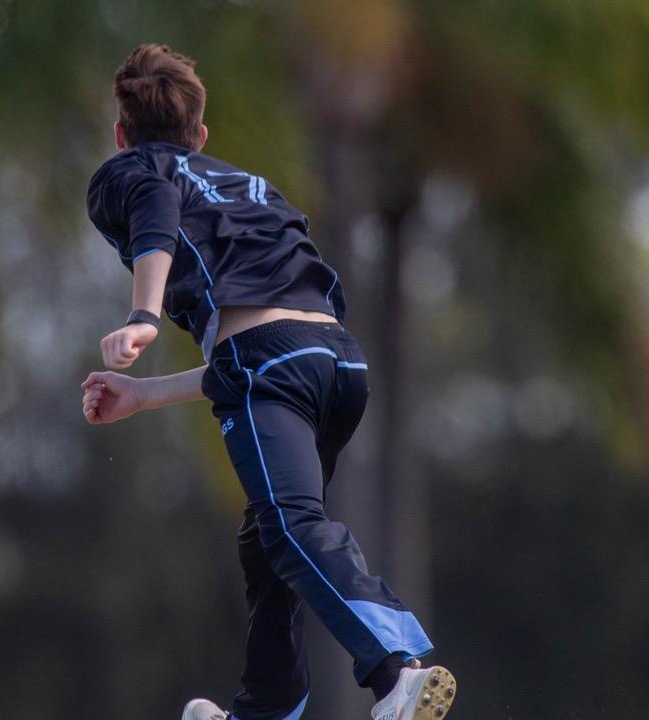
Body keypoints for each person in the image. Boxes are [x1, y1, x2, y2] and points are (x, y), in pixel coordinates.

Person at [80, 44, 457, 720]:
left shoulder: (132, 171)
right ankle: (266, 708)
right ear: (202, 135)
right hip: (336, 362)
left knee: (288, 525)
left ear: (120, 135)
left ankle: (396, 671)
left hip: (271, 362)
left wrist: (143, 316)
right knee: (267, 537)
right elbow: (255, 351)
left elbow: (158, 206)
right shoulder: (251, 185)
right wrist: (144, 394)